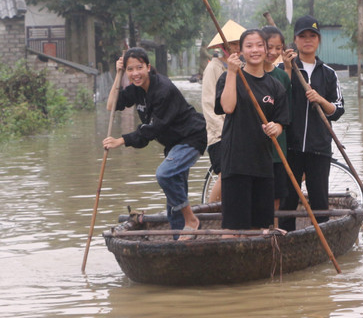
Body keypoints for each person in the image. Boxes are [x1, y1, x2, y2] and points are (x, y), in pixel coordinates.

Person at [103, 48, 206, 234]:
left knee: (164, 174)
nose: (135, 73)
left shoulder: (163, 89)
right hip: (173, 144)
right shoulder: (136, 89)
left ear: (148, 67)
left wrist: (121, 140)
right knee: (174, 190)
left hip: (191, 137)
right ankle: (178, 237)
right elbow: (111, 105)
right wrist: (118, 75)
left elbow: (152, 130)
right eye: (130, 69)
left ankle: (191, 219)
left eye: (139, 67)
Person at [214, 29, 289, 230]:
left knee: (262, 228)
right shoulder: (230, 77)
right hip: (235, 163)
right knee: (233, 228)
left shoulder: (275, 86)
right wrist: (231, 72)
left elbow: (282, 122)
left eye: (259, 45)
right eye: (248, 46)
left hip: (263, 164)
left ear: (266, 49)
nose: (254, 50)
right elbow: (227, 107)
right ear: (241, 51)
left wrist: (276, 128)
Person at [281, 15, 345, 232]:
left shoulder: (328, 74)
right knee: (288, 200)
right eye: (302, 36)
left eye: (312, 36)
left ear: (319, 40)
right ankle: (286, 241)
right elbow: (278, 100)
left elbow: (338, 110)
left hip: (319, 148)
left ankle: (321, 243)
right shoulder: (285, 68)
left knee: (319, 202)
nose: (307, 40)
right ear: (295, 40)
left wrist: (320, 100)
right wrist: (288, 69)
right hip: (290, 146)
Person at [201, 19, 245, 204]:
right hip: (220, 134)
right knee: (224, 175)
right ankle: (208, 211)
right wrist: (225, 132)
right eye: (231, 44)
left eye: (238, 43)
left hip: (241, 131)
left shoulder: (244, 68)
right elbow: (209, 105)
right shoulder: (214, 67)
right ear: (222, 46)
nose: (235, 48)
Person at [261, 25, 292, 218]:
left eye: (277, 48)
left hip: (277, 146)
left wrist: (288, 67)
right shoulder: (244, 75)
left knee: (277, 195)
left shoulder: (280, 76)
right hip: (255, 146)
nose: (273, 52)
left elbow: (285, 110)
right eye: (269, 47)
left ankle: (273, 229)